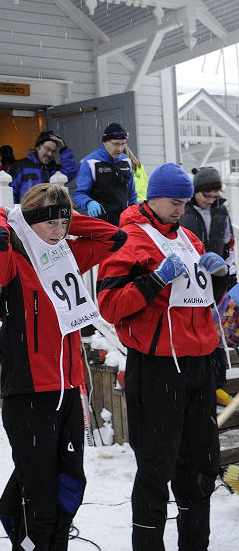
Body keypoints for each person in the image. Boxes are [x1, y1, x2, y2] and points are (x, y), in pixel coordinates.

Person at [0, 183, 127, 550]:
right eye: (51, 223)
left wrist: (68, 220)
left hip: (69, 390)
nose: (59, 232)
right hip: (29, 394)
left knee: (70, 487)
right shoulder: (10, 258)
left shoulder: (66, 254)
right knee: (38, 500)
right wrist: (9, 215)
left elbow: (114, 237)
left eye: (64, 223)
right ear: (27, 220)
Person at [96, 163, 229, 551]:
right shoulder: (128, 239)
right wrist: (155, 278)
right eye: (174, 202)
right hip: (156, 367)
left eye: (185, 203)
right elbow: (109, 305)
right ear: (152, 197)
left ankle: (195, 544)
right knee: (155, 468)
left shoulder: (189, 237)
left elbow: (202, 301)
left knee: (200, 466)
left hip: (198, 364)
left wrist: (219, 277)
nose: (180, 210)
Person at [180, 166, 237, 407]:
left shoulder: (221, 210)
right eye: (207, 195)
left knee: (217, 332)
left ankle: (217, 386)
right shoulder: (183, 211)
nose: (211, 200)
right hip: (192, 278)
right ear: (196, 192)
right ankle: (198, 386)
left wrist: (229, 271)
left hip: (218, 276)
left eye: (215, 196)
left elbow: (229, 243)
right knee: (198, 330)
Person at [73, 122, 137, 226]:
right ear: (105, 142)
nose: (120, 149)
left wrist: (135, 211)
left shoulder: (126, 161)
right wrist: (88, 203)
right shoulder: (90, 162)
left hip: (125, 222)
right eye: (116, 144)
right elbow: (79, 194)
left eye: (123, 144)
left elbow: (132, 194)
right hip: (101, 223)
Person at [7, 131, 78, 203]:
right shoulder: (20, 166)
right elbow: (10, 192)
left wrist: (64, 149)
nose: (50, 154)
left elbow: (70, 171)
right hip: (26, 211)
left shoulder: (54, 169)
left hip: (50, 211)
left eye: (53, 151)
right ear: (38, 147)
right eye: (47, 149)